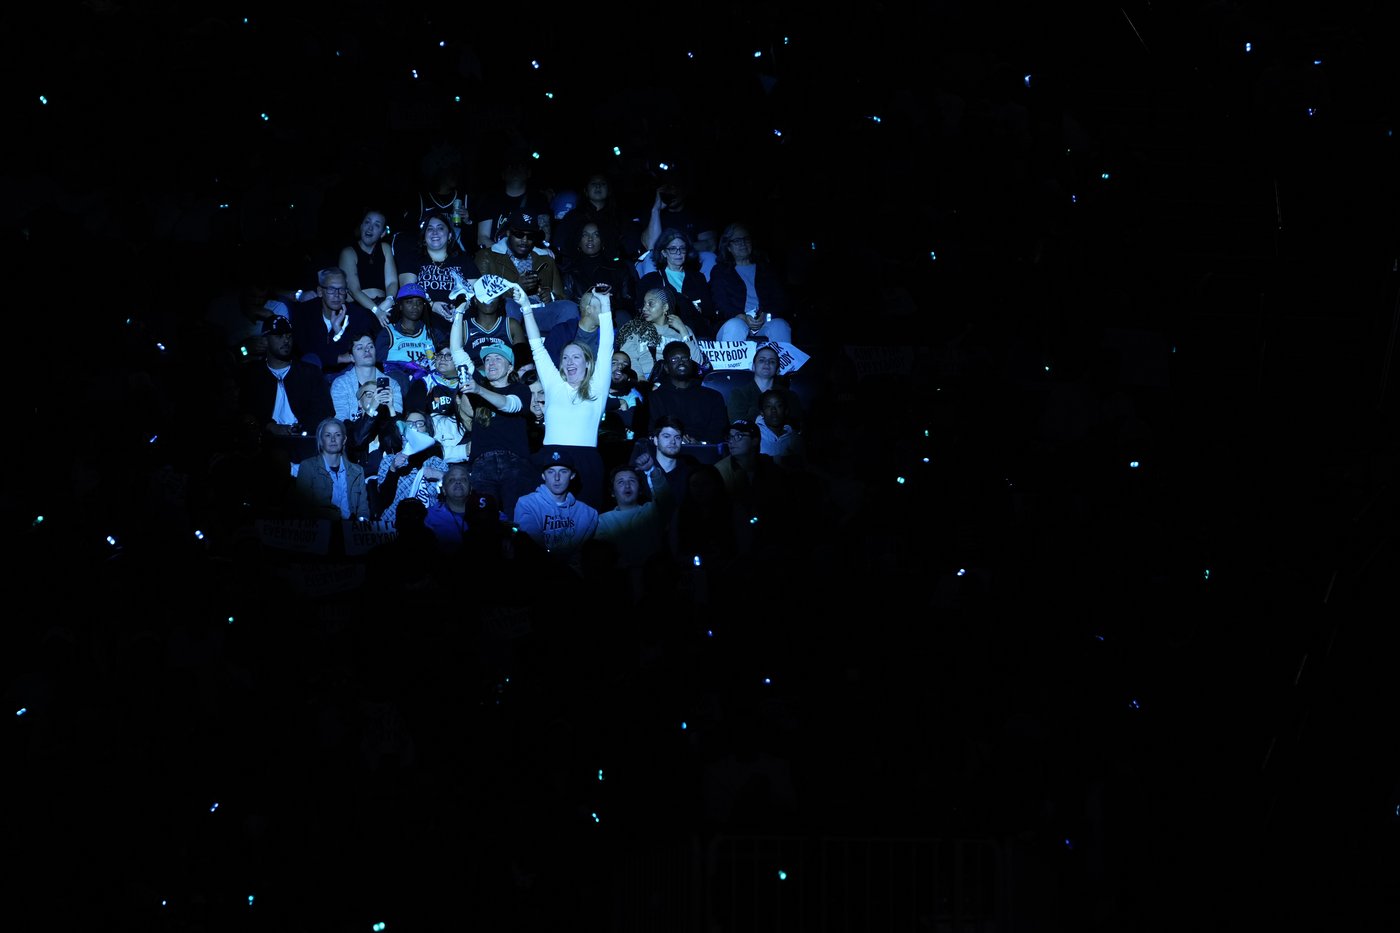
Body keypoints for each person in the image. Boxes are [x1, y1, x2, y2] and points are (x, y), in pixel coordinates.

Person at [520, 284, 615, 510]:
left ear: (588, 363)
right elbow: (536, 347)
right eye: (565, 358)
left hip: (586, 462)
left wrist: (605, 303)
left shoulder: (597, 387)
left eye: (576, 357)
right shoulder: (554, 384)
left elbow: (607, 344)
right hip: (552, 460)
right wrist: (525, 306)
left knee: (587, 522)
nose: (570, 362)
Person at [449, 308, 536, 518]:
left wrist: (479, 390)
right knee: (483, 523)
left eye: (498, 358)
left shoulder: (520, 389)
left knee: (517, 520)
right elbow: (457, 351)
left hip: (515, 464)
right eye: (487, 360)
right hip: (482, 465)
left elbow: (509, 405)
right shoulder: (478, 384)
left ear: (510, 367)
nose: (491, 363)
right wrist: (459, 313)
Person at [238, 316, 332, 463]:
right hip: (265, 445)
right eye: (279, 336)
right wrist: (270, 427)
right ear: (265, 340)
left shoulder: (309, 373)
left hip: (304, 446)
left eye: (288, 335)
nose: (286, 340)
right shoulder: (253, 374)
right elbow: (245, 412)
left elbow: (325, 412)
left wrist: (299, 428)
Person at [473, 210, 579, 333]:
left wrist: (551, 296)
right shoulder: (487, 256)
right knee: (509, 305)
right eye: (519, 234)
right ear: (508, 232)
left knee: (569, 308)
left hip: (539, 311)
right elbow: (482, 297)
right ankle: (512, 343)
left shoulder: (545, 258)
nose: (524, 240)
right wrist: (516, 288)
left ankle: (558, 345)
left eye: (530, 236)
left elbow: (561, 295)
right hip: (511, 311)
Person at [512, 446, 599, 572]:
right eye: (551, 472)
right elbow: (532, 550)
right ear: (543, 475)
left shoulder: (588, 513)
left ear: (572, 475)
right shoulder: (527, 504)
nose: (557, 478)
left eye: (563, 471)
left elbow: (583, 558)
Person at [710, 223, 794, 344]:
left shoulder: (766, 269)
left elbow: (781, 300)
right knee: (736, 325)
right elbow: (719, 302)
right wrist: (740, 316)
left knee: (780, 326)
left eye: (746, 239)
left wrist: (766, 315)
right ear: (728, 247)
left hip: (764, 322)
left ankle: (779, 357)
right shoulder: (721, 271)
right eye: (737, 240)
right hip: (735, 321)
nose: (743, 243)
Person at [289, 267, 379, 378]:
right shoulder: (304, 313)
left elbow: (357, 353)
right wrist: (338, 358)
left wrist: (339, 333)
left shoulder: (359, 316)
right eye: (331, 289)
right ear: (320, 291)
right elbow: (305, 353)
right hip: (312, 375)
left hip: (347, 374)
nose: (337, 295)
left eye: (342, 289)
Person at [396, 210, 481, 323]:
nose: (435, 232)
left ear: (449, 235)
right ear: (424, 236)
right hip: (425, 319)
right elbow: (408, 291)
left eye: (440, 228)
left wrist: (463, 307)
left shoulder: (464, 260)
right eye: (430, 229)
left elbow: (478, 292)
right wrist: (431, 305)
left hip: (461, 320)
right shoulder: (412, 259)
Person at [637, 228, 717, 338]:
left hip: (697, 331)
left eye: (682, 248)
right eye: (673, 249)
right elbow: (643, 312)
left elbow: (709, 311)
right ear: (664, 253)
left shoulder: (698, 278)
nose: (678, 253)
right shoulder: (651, 280)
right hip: (664, 333)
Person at [646, 341, 731, 443]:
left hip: (704, 449)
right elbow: (653, 431)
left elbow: (718, 432)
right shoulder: (655, 398)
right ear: (666, 367)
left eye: (685, 358)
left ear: (691, 363)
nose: (681, 362)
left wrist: (700, 443)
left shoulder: (713, 396)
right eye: (674, 359)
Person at [374, 283, 447, 400]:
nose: (415, 306)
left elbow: (447, 357)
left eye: (419, 303)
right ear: (400, 306)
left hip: (427, 384)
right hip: (398, 386)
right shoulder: (388, 333)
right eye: (409, 302)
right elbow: (379, 366)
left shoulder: (432, 333)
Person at [617, 288, 702, 383]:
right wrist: (640, 378)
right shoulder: (635, 329)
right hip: (645, 379)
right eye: (644, 304)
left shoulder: (682, 329)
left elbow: (697, 362)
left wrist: (683, 331)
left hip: (676, 380)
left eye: (650, 304)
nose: (644, 308)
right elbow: (629, 357)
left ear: (665, 307)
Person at [294, 417, 370, 521]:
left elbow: (363, 507)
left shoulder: (357, 471)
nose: (333, 439)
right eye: (328, 435)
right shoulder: (308, 467)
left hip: (351, 528)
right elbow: (302, 506)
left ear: (344, 439)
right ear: (321, 440)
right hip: (321, 527)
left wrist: (361, 523)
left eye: (337, 435)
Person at [474, 150, 554, 249]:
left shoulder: (538, 200)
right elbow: (482, 237)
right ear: (503, 174)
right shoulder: (490, 200)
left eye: (520, 166)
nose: (515, 169)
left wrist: (532, 252)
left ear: (528, 173)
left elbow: (545, 236)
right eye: (510, 166)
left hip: (528, 255)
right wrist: (505, 253)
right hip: (497, 255)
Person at [559, 221, 636, 318]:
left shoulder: (618, 269)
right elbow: (565, 303)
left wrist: (608, 302)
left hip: (611, 319)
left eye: (596, 235)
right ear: (579, 240)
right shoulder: (568, 271)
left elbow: (629, 301)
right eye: (585, 235)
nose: (590, 239)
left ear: (603, 239)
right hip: (579, 320)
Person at [338, 209, 399, 326]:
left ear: (382, 233)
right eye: (367, 222)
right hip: (358, 307)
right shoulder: (348, 252)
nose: (370, 228)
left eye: (377, 225)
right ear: (361, 226)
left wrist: (389, 300)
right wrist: (376, 311)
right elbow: (354, 290)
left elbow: (392, 282)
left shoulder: (385, 248)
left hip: (383, 305)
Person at [726, 342, 804, 431]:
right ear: (753, 366)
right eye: (761, 360)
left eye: (772, 361)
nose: (767, 363)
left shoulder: (789, 396)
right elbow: (738, 428)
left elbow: (796, 426)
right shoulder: (739, 394)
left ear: (778, 369)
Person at [329, 332, 404, 422]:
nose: (367, 350)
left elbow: (397, 422)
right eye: (360, 348)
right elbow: (341, 422)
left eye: (370, 346)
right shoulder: (341, 384)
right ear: (352, 357)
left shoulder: (391, 384)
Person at [544, 287, 613, 370]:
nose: (607, 311)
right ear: (589, 309)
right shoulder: (561, 332)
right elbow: (547, 364)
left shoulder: (607, 335)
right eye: (602, 307)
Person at [756, 388, 804, 468]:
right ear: (761, 412)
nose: (774, 410)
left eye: (779, 405)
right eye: (768, 406)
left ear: (786, 410)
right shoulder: (754, 435)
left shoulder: (795, 438)